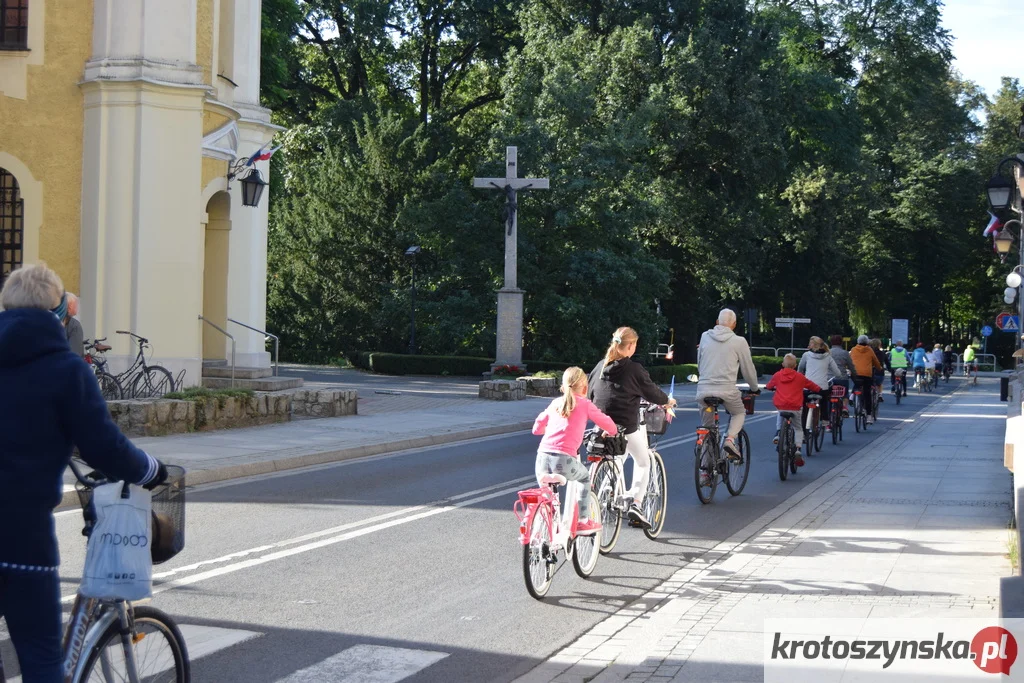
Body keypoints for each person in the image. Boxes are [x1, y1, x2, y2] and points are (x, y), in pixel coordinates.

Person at [0, 263, 168, 683]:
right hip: (21, 537)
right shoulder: (65, 369)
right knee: (40, 657)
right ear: (59, 313)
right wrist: (149, 469)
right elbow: (103, 446)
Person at [589, 327, 676, 528]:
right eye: (634, 345)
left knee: (615, 457)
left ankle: (607, 492)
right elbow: (652, 392)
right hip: (625, 426)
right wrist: (667, 401)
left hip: (601, 426)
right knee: (643, 461)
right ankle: (636, 504)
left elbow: (590, 395)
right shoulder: (633, 369)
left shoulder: (600, 366)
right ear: (630, 346)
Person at [533, 367, 617, 535]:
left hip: (541, 459)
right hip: (565, 461)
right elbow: (607, 423)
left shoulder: (555, 403)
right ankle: (583, 521)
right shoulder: (585, 404)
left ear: (562, 387)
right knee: (584, 477)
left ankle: (546, 524)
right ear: (585, 388)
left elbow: (536, 429)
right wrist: (612, 431)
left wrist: (547, 430)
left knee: (547, 493)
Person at [696, 309, 760, 466]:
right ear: (734, 325)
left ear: (717, 322)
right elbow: (748, 369)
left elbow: (699, 362)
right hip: (727, 390)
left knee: (707, 430)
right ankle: (730, 439)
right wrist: (754, 387)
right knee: (739, 412)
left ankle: (705, 471)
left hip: (703, 390)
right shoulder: (739, 341)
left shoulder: (705, 336)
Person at [766, 354, 821, 467]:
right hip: (796, 407)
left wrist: (769, 387)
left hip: (781, 405)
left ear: (782, 364)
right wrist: (819, 389)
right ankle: (798, 449)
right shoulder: (800, 376)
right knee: (798, 428)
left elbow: (769, 385)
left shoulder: (777, 375)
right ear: (795, 365)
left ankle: (778, 433)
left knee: (780, 413)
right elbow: (812, 386)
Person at [797, 336, 840, 427]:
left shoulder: (806, 355)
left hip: (808, 386)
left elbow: (800, 369)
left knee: (804, 405)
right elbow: (837, 372)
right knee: (824, 399)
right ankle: (825, 419)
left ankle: (804, 431)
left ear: (812, 345)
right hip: (821, 387)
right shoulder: (828, 356)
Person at [850, 335, 882, 423]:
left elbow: (850, 360)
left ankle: (853, 395)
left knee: (857, 385)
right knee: (867, 394)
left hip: (855, 373)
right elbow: (876, 362)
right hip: (867, 374)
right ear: (867, 342)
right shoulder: (869, 350)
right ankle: (868, 415)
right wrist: (879, 368)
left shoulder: (853, 349)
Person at [829, 335, 855, 417]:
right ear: (841, 342)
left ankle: (827, 414)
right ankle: (844, 407)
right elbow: (851, 366)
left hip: (829, 379)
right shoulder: (845, 353)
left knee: (827, 395)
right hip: (842, 378)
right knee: (844, 393)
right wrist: (855, 374)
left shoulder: (827, 353)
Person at [63, 292, 84, 358]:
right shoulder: (74, 325)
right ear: (69, 306)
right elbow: (75, 353)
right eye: (76, 305)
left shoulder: (50, 320)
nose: (77, 307)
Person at [870, 338, 890, 403]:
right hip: (880, 373)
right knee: (879, 384)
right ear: (879, 345)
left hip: (870, 373)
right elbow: (887, 363)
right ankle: (880, 395)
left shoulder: (869, 353)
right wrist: (890, 370)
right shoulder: (882, 353)